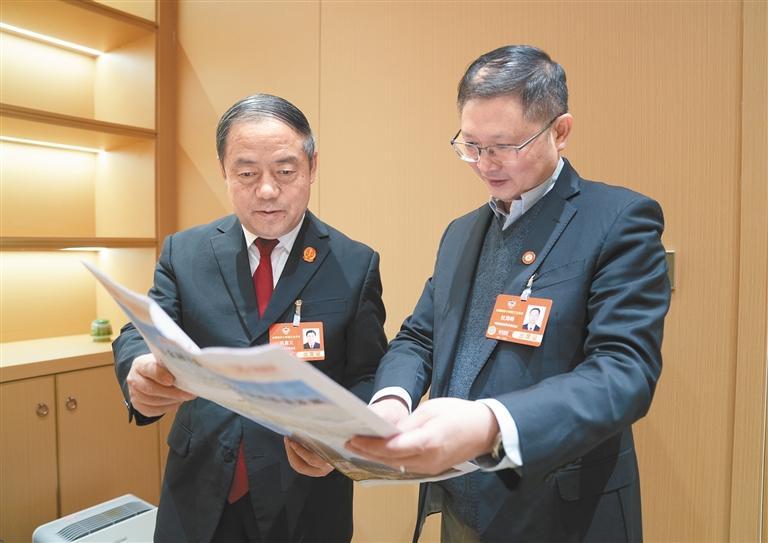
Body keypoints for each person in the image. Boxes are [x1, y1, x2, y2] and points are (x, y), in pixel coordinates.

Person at [289, 45, 670, 541]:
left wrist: (492, 423)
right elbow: (419, 338)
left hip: (563, 513)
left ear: (560, 131)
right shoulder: (462, 233)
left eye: (504, 146)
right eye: (470, 145)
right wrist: (390, 401)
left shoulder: (617, 220)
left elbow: (624, 372)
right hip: (462, 511)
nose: (485, 164)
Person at [113, 94, 387, 543]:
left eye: (285, 171)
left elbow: (368, 373)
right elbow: (141, 329)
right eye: (246, 173)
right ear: (224, 171)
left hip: (305, 497)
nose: (267, 191)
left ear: (312, 167)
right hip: (198, 488)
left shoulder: (354, 264)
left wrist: (340, 441)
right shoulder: (186, 252)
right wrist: (140, 366)